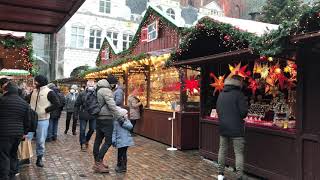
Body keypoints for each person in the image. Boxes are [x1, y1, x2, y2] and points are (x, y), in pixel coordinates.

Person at [216, 75, 248, 180]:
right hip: (237, 128)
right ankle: (239, 176)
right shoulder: (239, 95)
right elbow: (243, 113)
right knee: (238, 153)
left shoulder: (221, 94)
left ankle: (220, 174)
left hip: (223, 126)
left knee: (222, 150)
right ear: (238, 83)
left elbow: (218, 110)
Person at [0, 82, 30, 179]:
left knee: (4, 155)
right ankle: (13, 174)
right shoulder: (24, 103)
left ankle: (4, 176)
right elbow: (27, 120)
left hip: (4, 133)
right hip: (18, 133)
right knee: (13, 153)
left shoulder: (2, 100)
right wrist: (25, 132)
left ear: (6, 90)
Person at [29, 75, 60, 167]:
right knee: (27, 138)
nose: (34, 83)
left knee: (40, 140)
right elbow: (26, 99)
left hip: (42, 120)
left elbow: (57, 104)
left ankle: (39, 158)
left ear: (40, 82)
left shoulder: (49, 92)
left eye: (35, 81)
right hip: (31, 119)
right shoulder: (34, 91)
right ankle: (25, 158)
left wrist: (46, 110)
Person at [93, 75, 122, 173]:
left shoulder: (98, 88)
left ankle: (97, 162)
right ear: (112, 83)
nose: (115, 86)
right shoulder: (106, 90)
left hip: (98, 117)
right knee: (108, 141)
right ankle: (98, 162)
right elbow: (112, 105)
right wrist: (119, 116)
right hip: (106, 118)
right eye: (115, 84)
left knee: (98, 140)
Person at [74, 80, 97, 152]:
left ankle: (87, 139)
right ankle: (83, 143)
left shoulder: (96, 94)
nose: (91, 87)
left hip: (93, 114)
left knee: (92, 129)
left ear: (94, 86)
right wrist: (75, 114)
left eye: (92, 85)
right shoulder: (82, 94)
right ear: (87, 86)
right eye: (89, 85)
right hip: (83, 113)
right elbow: (77, 104)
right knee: (82, 129)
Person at [112, 107, 134, 173]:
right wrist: (113, 140)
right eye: (125, 114)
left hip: (125, 141)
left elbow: (130, 127)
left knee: (123, 154)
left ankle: (123, 167)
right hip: (120, 141)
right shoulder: (116, 122)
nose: (127, 115)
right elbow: (114, 131)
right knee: (120, 153)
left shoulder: (126, 121)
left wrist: (123, 123)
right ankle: (119, 165)